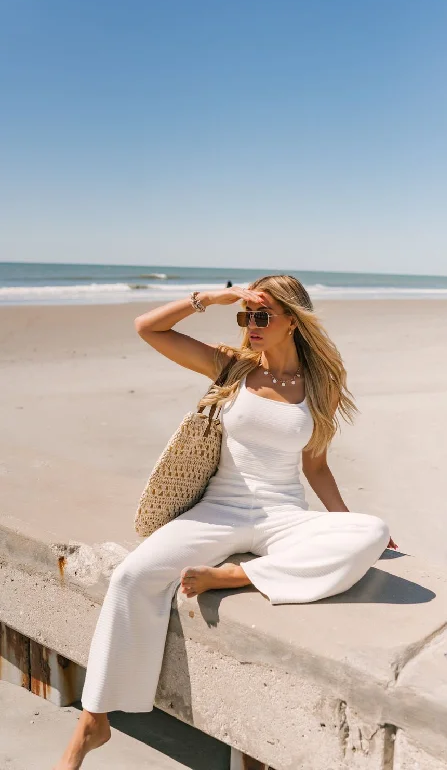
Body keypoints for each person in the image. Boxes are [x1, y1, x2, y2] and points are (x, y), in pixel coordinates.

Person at [54, 275, 396, 770]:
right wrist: (212, 298)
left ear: (293, 322)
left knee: (372, 529)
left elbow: (315, 467)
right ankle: (94, 721)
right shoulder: (231, 367)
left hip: (284, 518)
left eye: (263, 316)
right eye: (247, 316)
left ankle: (239, 576)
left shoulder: (320, 385)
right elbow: (148, 329)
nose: (251, 325)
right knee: (132, 576)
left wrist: (345, 523)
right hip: (218, 512)